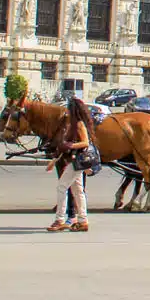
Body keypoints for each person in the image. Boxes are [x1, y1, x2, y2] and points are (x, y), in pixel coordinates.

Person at [46, 97, 97, 232]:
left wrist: (71, 144)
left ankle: (60, 219)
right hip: (74, 161)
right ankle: (83, 221)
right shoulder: (72, 125)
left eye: (68, 109)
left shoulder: (79, 124)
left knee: (62, 187)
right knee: (78, 191)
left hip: (76, 162)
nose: (67, 111)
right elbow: (64, 148)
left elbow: (85, 142)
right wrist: (54, 161)